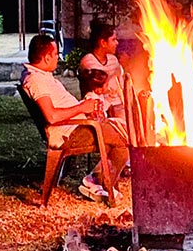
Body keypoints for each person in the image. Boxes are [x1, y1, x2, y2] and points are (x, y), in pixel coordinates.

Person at [21, 34, 129, 202]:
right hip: (71, 132)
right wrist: (82, 108)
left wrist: (87, 111)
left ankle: (96, 179)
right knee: (126, 139)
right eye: (56, 54)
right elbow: (52, 116)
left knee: (119, 130)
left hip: (78, 125)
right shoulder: (36, 81)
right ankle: (98, 181)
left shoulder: (41, 76)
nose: (58, 57)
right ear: (47, 56)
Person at [79, 21, 125, 120]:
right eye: (113, 40)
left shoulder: (113, 59)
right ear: (103, 43)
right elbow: (96, 83)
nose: (117, 43)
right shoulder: (88, 62)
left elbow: (120, 81)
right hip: (101, 108)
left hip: (119, 104)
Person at [78, 67, 129, 143]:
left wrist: (110, 99)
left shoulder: (98, 96)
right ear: (98, 89)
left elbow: (103, 107)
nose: (108, 86)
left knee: (122, 122)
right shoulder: (91, 99)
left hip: (102, 123)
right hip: (97, 127)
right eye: (106, 85)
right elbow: (98, 117)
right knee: (121, 125)